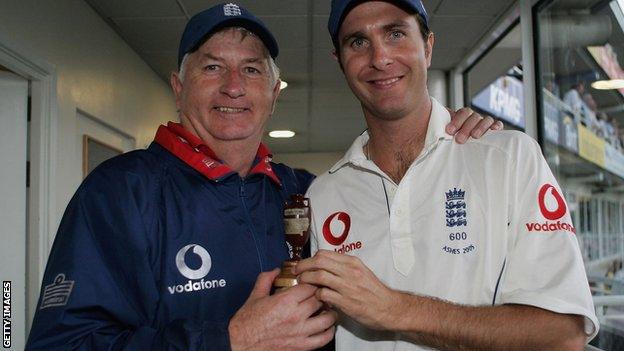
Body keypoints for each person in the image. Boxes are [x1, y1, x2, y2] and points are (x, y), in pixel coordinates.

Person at [25, 3, 497, 350]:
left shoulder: (310, 190)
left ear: (273, 94)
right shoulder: (118, 193)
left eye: (250, 70)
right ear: (178, 87)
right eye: (213, 67)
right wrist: (230, 340)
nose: (233, 85)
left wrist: (450, 132)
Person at [296, 1, 598, 350]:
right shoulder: (323, 195)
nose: (380, 58)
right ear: (340, 62)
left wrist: (393, 308)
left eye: (395, 33)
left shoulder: (510, 157)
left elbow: (562, 334)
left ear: (427, 46)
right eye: (358, 42)